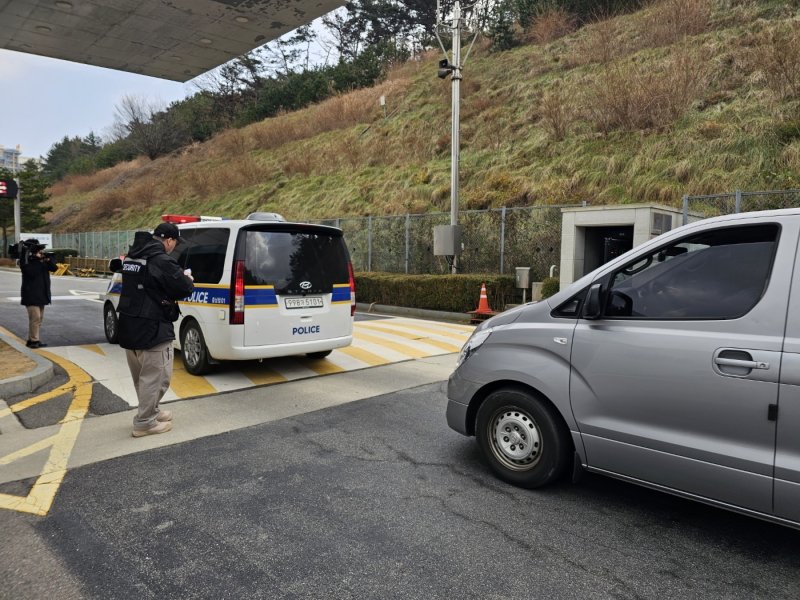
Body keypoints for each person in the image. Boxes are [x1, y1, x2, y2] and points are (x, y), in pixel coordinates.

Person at [118, 222, 194, 438]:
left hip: (129, 324)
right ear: (169, 240)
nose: (174, 246)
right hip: (152, 328)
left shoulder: (134, 256)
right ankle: (145, 422)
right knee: (157, 377)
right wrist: (187, 278)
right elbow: (184, 288)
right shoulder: (160, 260)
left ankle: (151, 411)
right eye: (175, 242)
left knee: (142, 376)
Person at [19, 239, 57, 349]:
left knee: (39, 319)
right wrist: (38, 259)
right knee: (35, 318)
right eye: (39, 251)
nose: (41, 253)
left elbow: (54, 268)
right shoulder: (26, 261)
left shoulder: (42, 261)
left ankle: (32, 340)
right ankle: (34, 340)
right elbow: (32, 272)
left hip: (42, 294)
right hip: (30, 295)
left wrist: (47, 259)